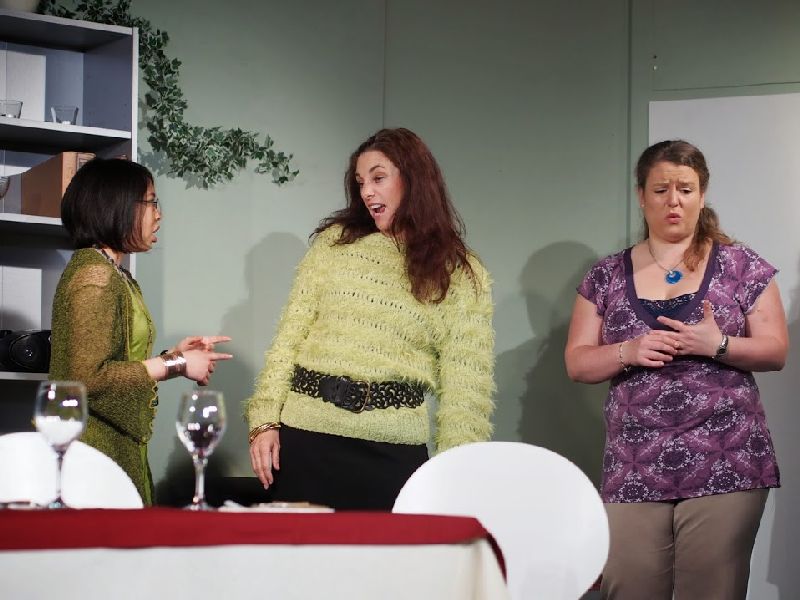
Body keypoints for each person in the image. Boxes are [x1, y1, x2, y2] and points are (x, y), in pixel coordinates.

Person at [565, 140, 788, 599]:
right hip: (633, 461)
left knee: (711, 590)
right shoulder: (605, 276)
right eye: (661, 189)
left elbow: (775, 350)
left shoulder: (742, 266)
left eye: (685, 189)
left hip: (727, 458)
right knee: (629, 586)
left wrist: (717, 345)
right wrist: (627, 350)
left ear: (702, 196)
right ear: (641, 195)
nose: (673, 201)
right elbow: (578, 361)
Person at [246, 127, 495, 510]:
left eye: (378, 178)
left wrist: (454, 475)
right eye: (361, 182)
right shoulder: (334, 244)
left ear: (414, 180)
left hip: (391, 453)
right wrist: (264, 420)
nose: (367, 192)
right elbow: (289, 339)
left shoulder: (460, 271)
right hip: (306, 440)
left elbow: (466, 390)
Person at [49, 158, 232, 505]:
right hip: (94, 453)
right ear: (116, 205)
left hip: (111, 446)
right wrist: (176, 363)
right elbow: (86, 378)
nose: (158, 214)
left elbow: (118, 362)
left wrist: (173, 357)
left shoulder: (112, 273)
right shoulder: (96, 277)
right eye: (151, 202)